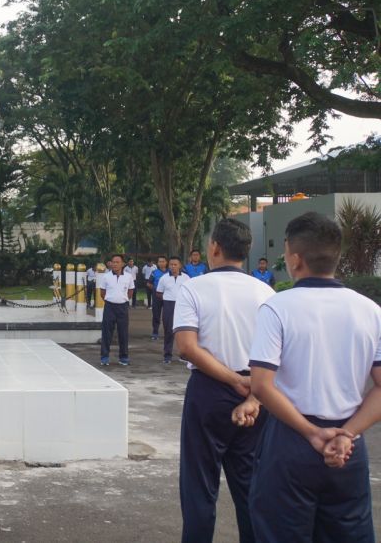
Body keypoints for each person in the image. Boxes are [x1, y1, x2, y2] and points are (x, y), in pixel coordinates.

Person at [249, 212, 381, 541]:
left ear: (294, 259)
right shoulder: (370, 311)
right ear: (336, 257)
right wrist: (346, 434)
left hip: (291, 441)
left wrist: (312, 433)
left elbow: (262, 386)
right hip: (348, 448)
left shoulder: (278, 307)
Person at [173, 218, 275, 543]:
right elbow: (277, 357)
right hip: (256, 395)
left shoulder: (193, 287)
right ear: (246, 252)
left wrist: (231, 379)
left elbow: (186, 347)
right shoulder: (267, 293)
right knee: (251, 487)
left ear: (214, 248)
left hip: (208, 391)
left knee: (199, 487)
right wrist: (252, 392)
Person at [98, 254, 135, 366]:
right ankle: (104, 357)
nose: (114, 264)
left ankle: (123, 357)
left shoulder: (128, 277)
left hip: (122, 307)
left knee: (123, 333)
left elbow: (130, 291)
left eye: (117, 262)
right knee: (107, 332)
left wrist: (123, 299)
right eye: (113, 262)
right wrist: (111, 300)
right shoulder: (106, 276)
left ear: (123, 264)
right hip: (109, 307)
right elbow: (102, 292)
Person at [155, 256, 189, 364]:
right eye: (171, 265)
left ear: (180, 265)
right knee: (168, 331)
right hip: (168, 305)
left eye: (175, 264)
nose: (173, 267)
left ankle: (184, 355)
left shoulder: (186, 278)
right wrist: (168, 299)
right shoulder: (164, 278)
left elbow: (189, 292)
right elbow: (159, 293)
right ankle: (167, 355)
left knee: (182, 331)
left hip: (182, 306)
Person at [148, 256, 168, 340]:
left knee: (167, 316)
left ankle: (168, 333)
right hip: (156, 296)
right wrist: (156, 289)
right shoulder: (154, 272)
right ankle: (155, 332)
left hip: (168, 297)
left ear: (166, 262)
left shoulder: (170, 272)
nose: (161, 263)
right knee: (156, 315)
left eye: (163, 261)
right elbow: (149, 284)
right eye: (159, 261)